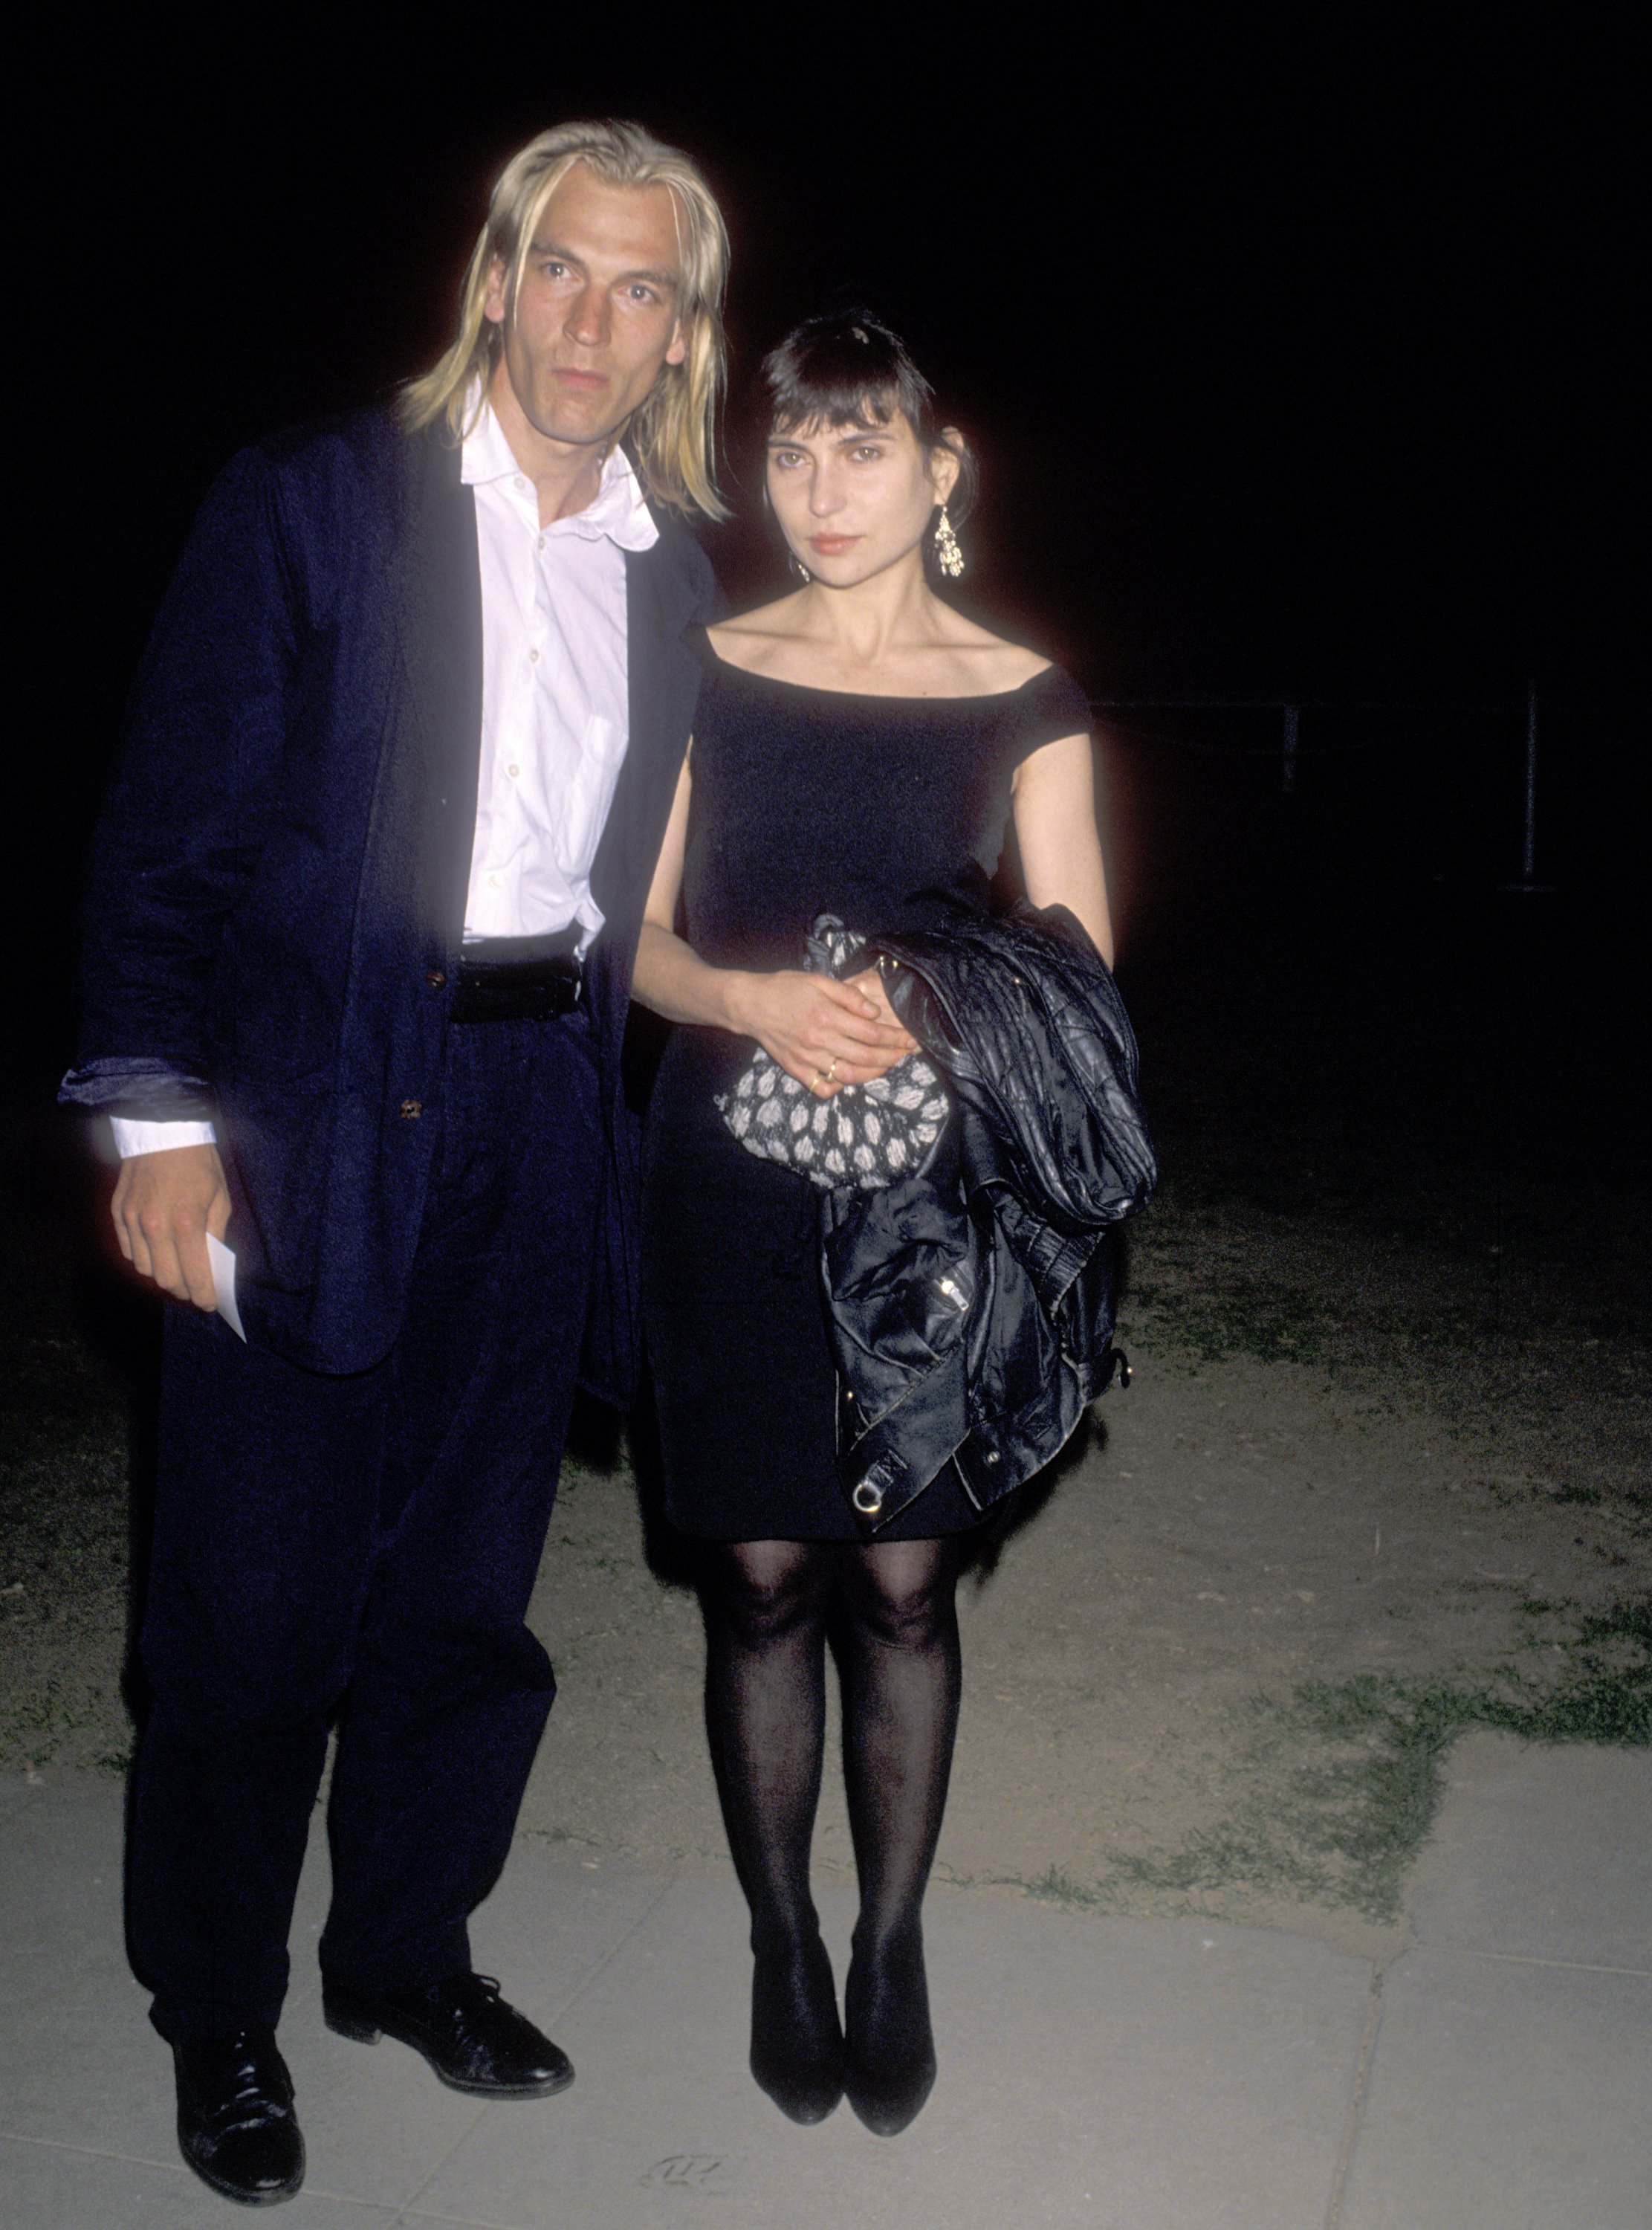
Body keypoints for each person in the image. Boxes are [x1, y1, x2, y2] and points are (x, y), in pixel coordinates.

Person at [59, 120, 728, 2206]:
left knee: (463, 1596)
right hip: (311, 1098)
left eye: (640, 288)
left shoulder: (674, 567)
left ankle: (404, 1954)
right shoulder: (316, 503)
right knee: (251, 1612)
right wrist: (157, 1122)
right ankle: (222, 2012)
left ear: (682, 329)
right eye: (562, 269)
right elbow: (170, 826)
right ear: (495, 274)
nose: (591, 321)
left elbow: (698, 874)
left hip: (543, 1109)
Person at [631, 311, 1116, 2136]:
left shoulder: (1022, 689)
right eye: (792, 451)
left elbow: (1079, 959)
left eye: (860, 448)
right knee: (758, 1578)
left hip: (932, 1194)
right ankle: (779, 1937)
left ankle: (892, 1939)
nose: (819, 489)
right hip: (729, 1167)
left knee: (901, 1586)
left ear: (940, 467)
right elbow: (639, 934)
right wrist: (750, 1001)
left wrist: (938, 1001)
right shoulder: (700, 665)